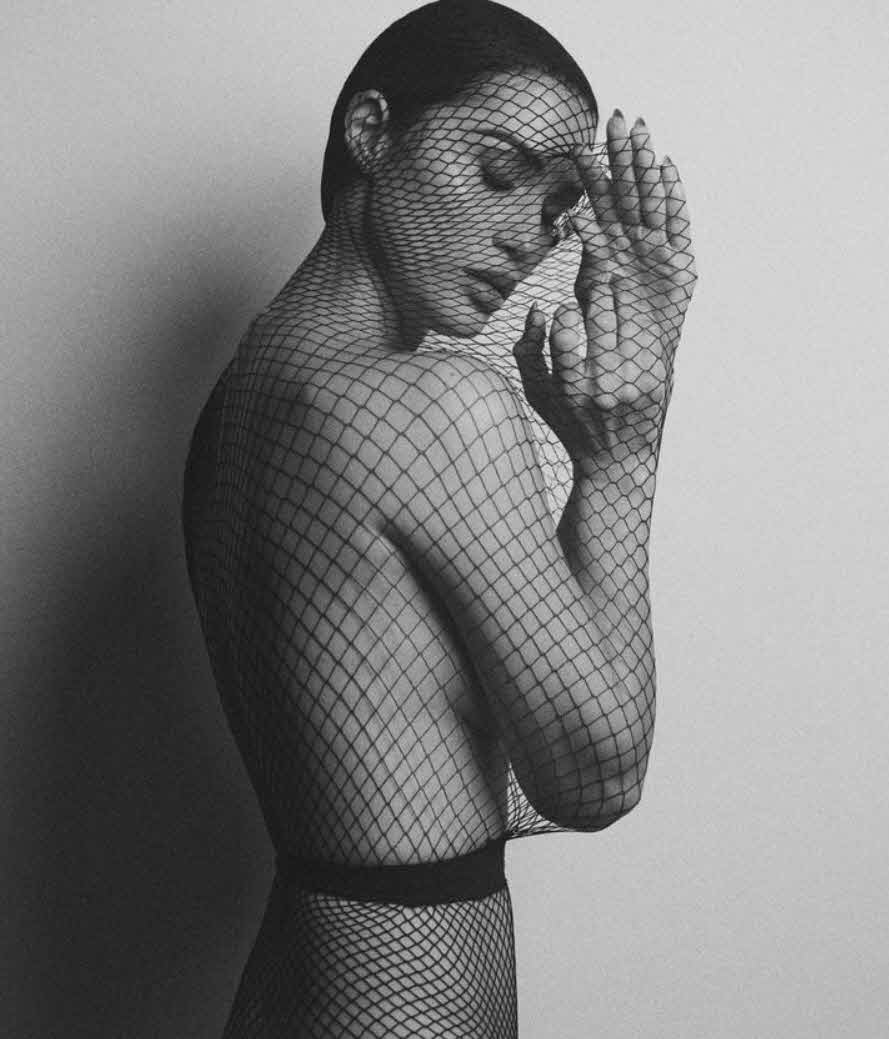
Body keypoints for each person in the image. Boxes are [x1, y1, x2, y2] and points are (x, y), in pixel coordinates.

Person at [182, 1, 696, 1035]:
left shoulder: (239, 401)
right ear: (372, 131)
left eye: (557, 207)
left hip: (294, 977)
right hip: (399, 997)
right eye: (500, 170)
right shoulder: (432, 406)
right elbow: (594, 774)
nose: (527, 236)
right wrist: (622, 452)